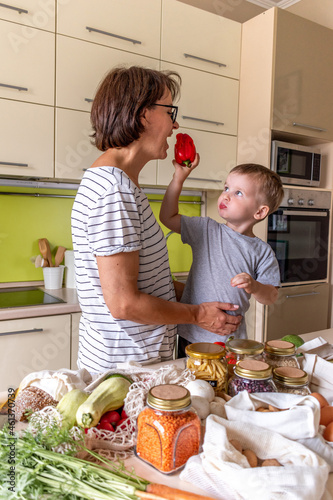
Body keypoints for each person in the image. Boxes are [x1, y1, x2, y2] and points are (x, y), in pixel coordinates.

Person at [71, 66, 242, 373]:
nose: (175, 124)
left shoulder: (121, 185)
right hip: (126, 370)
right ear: (142, 114)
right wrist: (198, 314)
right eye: (169, 111)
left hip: (133, 363)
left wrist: (206, 294)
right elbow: (125, 303)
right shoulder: (114, 192)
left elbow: (149, 284)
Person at [160, 161, 284, 357]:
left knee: (223, 385)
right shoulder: (205, 230)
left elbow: (271, 296)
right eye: (226, 188)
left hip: (230, 341)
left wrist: (254, 286)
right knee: (193, 384)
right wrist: (178, 179)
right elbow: (167, 217)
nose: (226, 195)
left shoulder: (262, 251)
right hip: (190, 336)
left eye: (238, 193)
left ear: (260, 212)